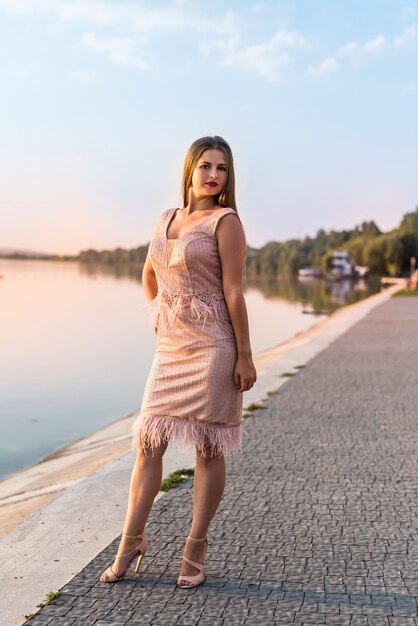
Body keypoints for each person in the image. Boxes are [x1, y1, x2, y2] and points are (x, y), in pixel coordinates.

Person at [100, 135, 257, 588]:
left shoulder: (226, 222)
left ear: (229, 177)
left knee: (208, 448)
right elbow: (149, 274)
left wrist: (245, 356)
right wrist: (159, 315)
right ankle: (131, 539)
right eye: (205, 165)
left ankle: (195, 547)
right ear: (189, 169)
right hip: (171, 349)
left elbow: (234, 292)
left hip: (213, 347)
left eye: (222, 168)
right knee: (148, 444)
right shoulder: (166, 218)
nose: (213, 175)